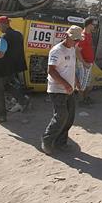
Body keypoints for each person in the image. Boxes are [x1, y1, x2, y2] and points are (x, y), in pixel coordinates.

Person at [41, 25, 83, 155]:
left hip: (68, 89)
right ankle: (47, 142)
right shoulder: (57, 51)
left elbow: (71, 67)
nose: (76, 42)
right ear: (66, 36)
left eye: (77, 40)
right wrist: (66, 84)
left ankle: (61, 142)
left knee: (69, 117)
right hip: (57, 89)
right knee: (61, 116)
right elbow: (51, 71)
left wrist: (76, 81)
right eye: (74, 39)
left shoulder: (72, 48)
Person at [0, 16, 28, 123]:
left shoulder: (4, 37)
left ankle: (0, 116)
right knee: (7, 86)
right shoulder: (18, 34)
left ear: (2, 24)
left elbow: (0, 54)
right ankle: (23, 101)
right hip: (15, 67)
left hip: (4, 68)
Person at [77, 17, 97, 105]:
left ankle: (85, 98)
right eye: (94, 25)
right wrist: (84, 63)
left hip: (88, 63)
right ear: (89, 25)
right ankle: (81, 101)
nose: (95, 26)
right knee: (82, 84)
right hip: (84, 64)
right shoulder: (83, 36)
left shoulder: (89, 34)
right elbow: (77, 51)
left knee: (87, 84)